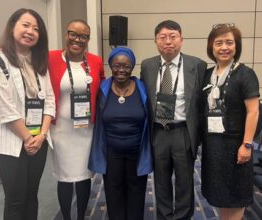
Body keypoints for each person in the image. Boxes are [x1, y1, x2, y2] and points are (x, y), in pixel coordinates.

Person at [0, 8, 55, 220]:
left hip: (38, 140)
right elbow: (6, 110)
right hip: (10, 143)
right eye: (26, 25)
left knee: (32, 195)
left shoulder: (38, 62)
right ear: (12, 26)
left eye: (36, 28)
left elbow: (49, 101)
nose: (31, 31)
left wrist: (41, 135)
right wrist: (28, 138)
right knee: (15, 200)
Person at [140, 20, 207, 220]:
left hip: (183, 132)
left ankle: (183, 217)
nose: (168, 41)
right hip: (158, 132)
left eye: (173, 37)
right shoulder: (148, 65)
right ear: (156, 41)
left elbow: (202, 103)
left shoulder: (198, 65)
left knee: (185, 182)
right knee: (160, 181)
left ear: (181, 40)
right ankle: (164, 216)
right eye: (163, 37)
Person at [201, 23, 259, 220]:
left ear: (237, 46)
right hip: (213, 145)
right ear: (211, 47)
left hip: (237, 146)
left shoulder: (246, 74)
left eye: (229, 42)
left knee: (236, 196)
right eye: (219, 43)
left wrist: (247, 144)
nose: (224, 47)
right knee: (221, 196)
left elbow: (253, 112)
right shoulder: (207, 74)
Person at [48, 19, 105, 220]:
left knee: (83, 176)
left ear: (88, 39)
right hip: (61, 130)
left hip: (86, 129)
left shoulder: (96, 61)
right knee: (64, 177)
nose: (77, 39)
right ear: (66, 34)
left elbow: (102, 89)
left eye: (83, 36)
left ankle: (81, 216)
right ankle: (66, 216)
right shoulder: (51, 58)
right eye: (73, 34)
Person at [88, 47, 153, 220]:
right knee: (113, 193)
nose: (121, 70)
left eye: (126, 65)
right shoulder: (102, 89)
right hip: (111, 152)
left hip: (137, 152)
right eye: (117, 65)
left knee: (137, 193)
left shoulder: (143, 89)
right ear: (110, 66)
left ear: (132, 67)